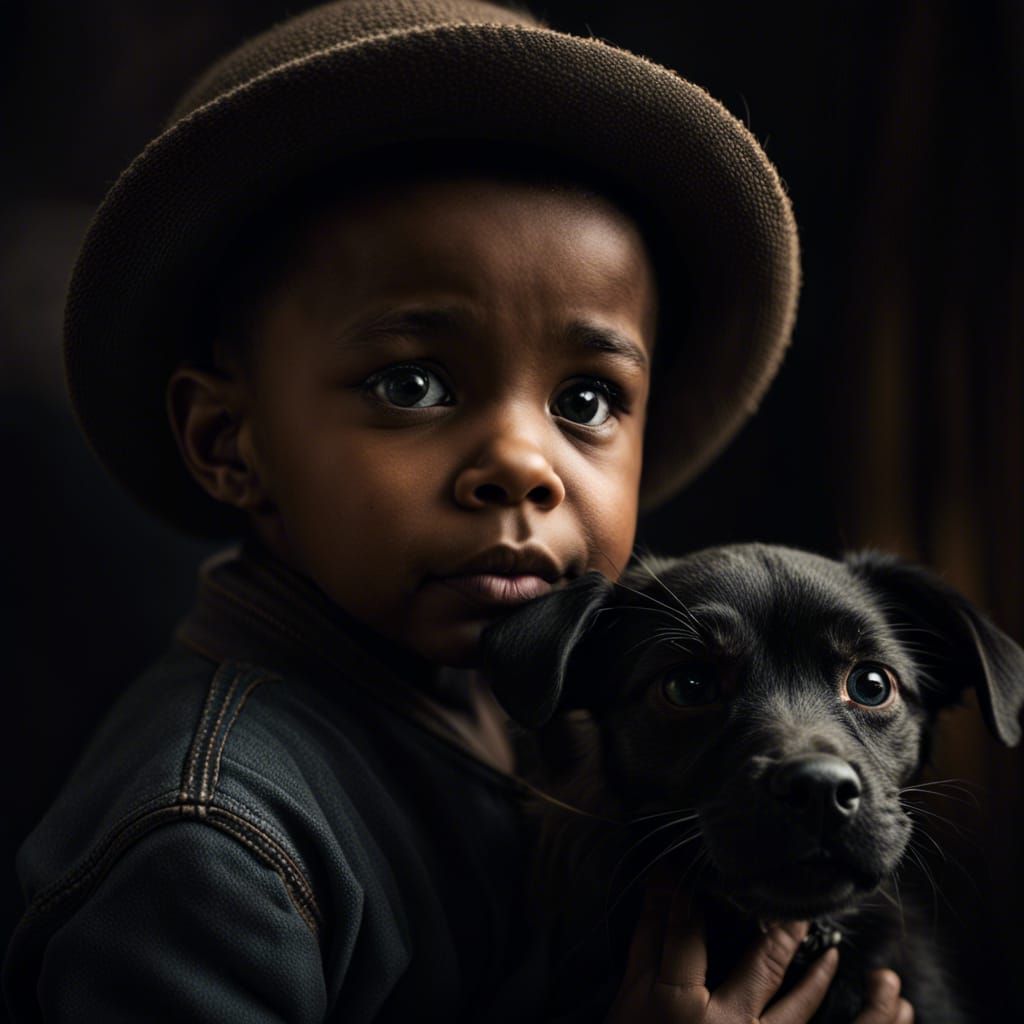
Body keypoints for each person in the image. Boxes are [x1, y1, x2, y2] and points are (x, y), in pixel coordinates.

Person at [2, 2, 913, 1021]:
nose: (524, 464)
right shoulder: (210, 844)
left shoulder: (581, 719)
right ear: (230, 442)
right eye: (411, 385)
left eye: (584, 402)